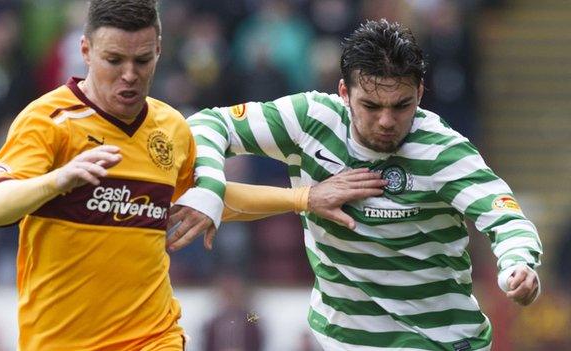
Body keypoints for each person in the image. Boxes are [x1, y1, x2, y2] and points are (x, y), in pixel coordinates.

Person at [0, 1, 385, 349]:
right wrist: (59, 180)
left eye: (142, 60)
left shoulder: (170, 126)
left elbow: (208, 198)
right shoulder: (48, 120)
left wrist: (304, 198)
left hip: (155, 336)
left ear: (158, 49)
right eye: (113, 60)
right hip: (61, 340)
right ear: (85, 50)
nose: (130, 75)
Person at [171, 19, 543, 350]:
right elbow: (207, 125)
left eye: (401, 106)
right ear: (344, 93)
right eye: (371, 106)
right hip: (343, 338)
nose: (386, 121)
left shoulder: (443, 151)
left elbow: (505, 216)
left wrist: (518, 265)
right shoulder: (309, 121)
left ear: (420, 93)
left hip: (439, 339)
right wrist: (208, 186)